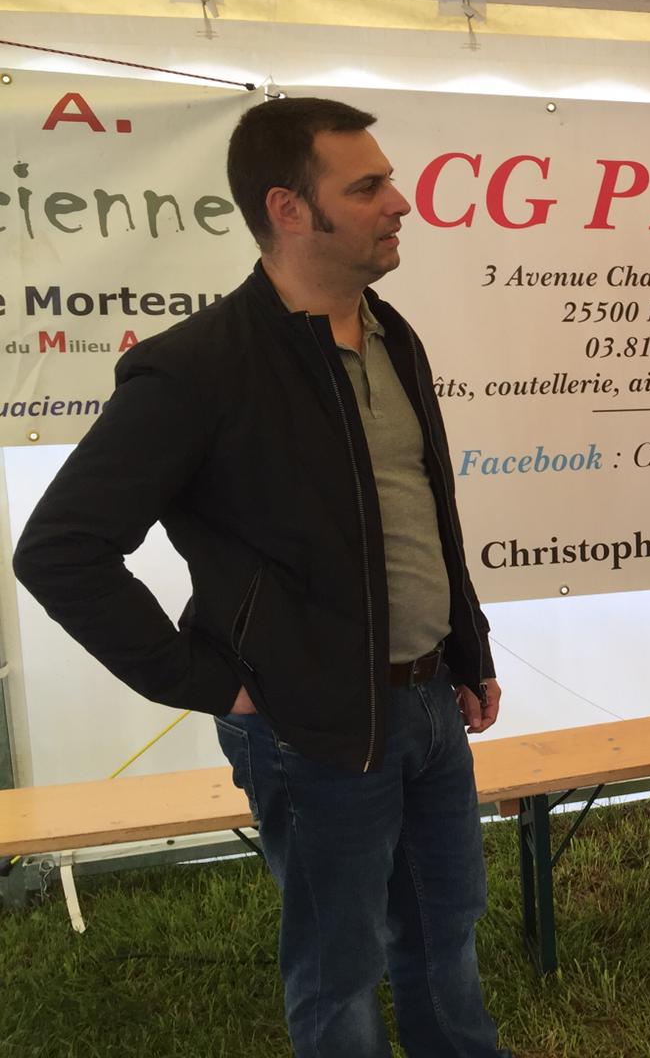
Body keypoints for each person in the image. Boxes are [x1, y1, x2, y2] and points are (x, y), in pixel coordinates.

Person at [12, 97, 514, 1058]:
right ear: (288, 208)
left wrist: (467, 648)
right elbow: (60, 550)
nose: (399, 202)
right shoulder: (196, 369)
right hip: (307, 727)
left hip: (428, 708)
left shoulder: (391, 334)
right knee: (339, 973)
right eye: (366, 187)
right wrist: (212, 682)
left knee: (446, 934)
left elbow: (420, 515)